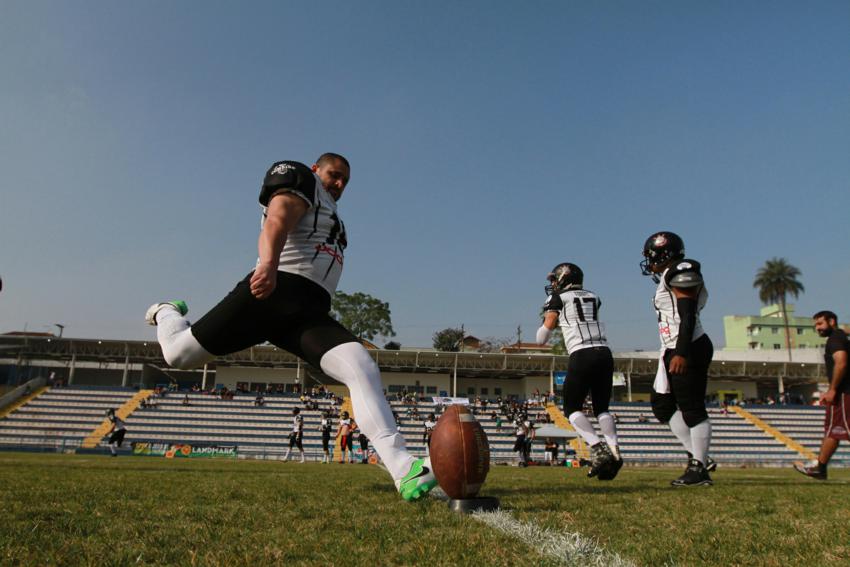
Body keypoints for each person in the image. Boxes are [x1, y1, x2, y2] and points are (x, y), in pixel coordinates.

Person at [144, 154, 435, 501]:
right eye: (334, 175)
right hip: (273, 291)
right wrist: (267, 264)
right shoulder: (302, 179)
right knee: (178, 354)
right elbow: (277, 218)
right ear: (316, 169)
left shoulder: (332, 212)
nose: (339, 183)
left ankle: (403, 467)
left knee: (361, 366)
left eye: (345, 180)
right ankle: (165, 312)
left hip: (308, 312)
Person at [641, 231, 715, 487]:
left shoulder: (679, 271)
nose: (649, 261)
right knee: (662, 404)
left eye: (651, 255)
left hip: (688, 345)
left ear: (664, 253)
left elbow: (688, 315)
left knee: (692, 408)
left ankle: (699, 468)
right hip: (673, 346)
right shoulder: (666, 276)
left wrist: (682, 352)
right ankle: (700, 456)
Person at [535, 262, 622, 480]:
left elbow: (543, 336)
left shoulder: (557, 298)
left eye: (555, 279)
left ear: (564, 278)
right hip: (605, 352)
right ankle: (614, 451)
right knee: (602, 407)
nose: (553, 284)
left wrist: (544, 326)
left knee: (572, 408)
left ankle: (597, 447)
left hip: (582, 353)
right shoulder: (593, 295)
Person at [794, 311, 849, 480]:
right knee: (833, 430)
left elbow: (841, 362)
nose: (817, 328)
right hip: (844, 391)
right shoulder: (840, 336)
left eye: (820, 324)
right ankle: (820, 467)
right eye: (815, 325)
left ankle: (820, 467)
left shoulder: (835, 340)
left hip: (843, 393)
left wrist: (832, 389)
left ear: (831, 321)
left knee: (835, 430)